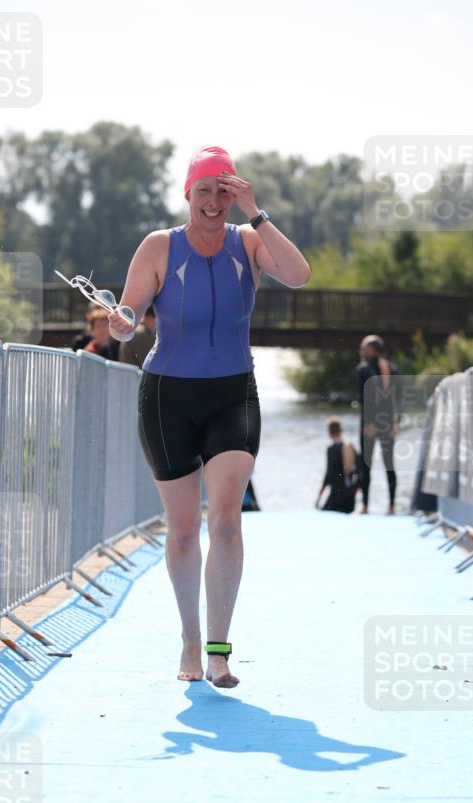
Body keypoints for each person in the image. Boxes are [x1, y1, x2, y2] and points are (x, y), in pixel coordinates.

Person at [108, 145, 310, 688]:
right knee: (181, 531)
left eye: (224, 191)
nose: (214, 202)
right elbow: (128, 311)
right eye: (205, 191)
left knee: (225, 517)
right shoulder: (159, 246)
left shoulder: (248, 241)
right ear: (187, 195)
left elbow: (298, 274)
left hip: (232, 394)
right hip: (167, 397)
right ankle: (190, 640)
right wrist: (123, 323)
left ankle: (220, 650)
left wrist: (257, 212)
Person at [355, 335, 403, 515]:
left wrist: (396, 423)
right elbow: (364, 398)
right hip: (369, 424)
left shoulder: (393, 370)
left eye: (364, 347)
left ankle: (392, 506)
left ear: (374, 349)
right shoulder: (363, 370)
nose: (361, 350)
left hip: (387, 423)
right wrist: (368, 422)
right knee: (365, 466)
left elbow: (399, 399)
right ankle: (365, 506)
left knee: (389, 464)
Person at [315, 418, 358, 513]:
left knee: (323, 513)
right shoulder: (350, 446)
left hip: (336, 498)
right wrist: (354, 492)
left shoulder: (331, 449)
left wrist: (319, 498)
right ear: (341, 430)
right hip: (350, 499)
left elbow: (328, 475)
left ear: (329, 432)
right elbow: (359, 472)